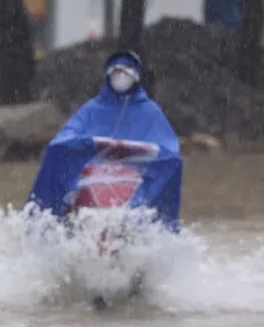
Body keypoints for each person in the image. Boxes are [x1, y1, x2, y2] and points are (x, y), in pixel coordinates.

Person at [26, 48, 183, 228]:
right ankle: (48, 221)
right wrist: (87, 146)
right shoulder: (92, 108)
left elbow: (169, 153)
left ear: (136, 76)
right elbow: (64, 140)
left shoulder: (151, 112)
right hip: (90, 178)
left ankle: (152, 225)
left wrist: (136, 154)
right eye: (116, 71)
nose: (121, 76)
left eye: (126, 71)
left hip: (133, 182)